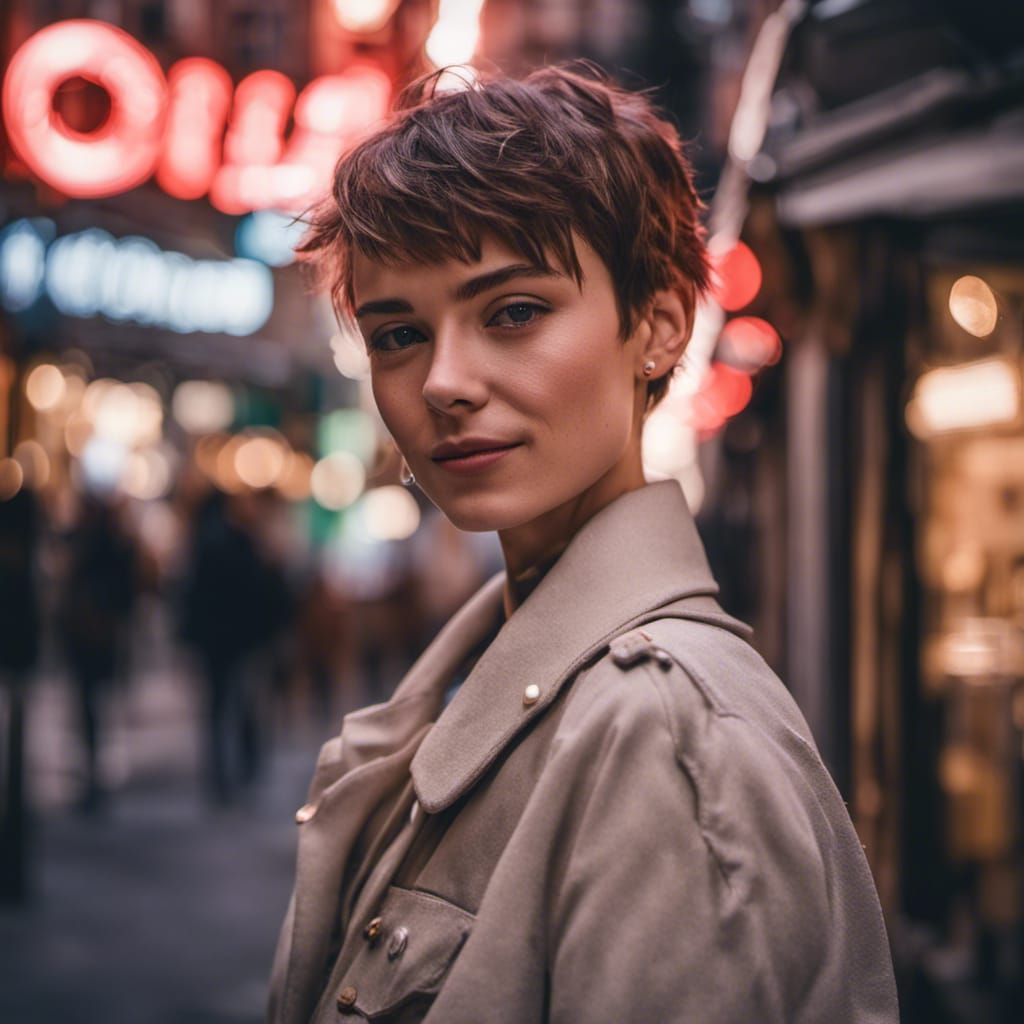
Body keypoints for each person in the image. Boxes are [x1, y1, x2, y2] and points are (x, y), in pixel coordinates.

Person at [267, 65, 899, 1023]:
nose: (442, 382)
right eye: (398, 334)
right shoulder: (504, 673)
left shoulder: (665, 741)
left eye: (512, 312)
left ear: (657, 326)